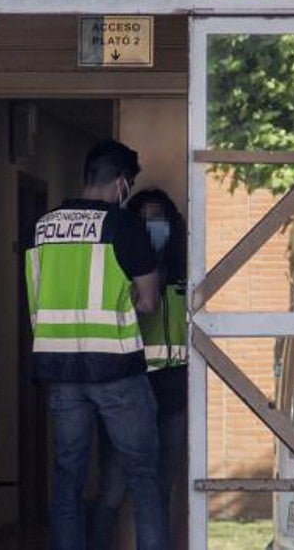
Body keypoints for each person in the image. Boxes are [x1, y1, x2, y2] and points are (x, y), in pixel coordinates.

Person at [25, 139, 168, 550]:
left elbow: (37, 296)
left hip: (60, 373)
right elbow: (148, 301)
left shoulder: (42, 227)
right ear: (122, 184)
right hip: (116, 370)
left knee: (67, 479)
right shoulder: (122, 226)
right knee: (144, 478)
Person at [90, 188, 189, 550]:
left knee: (161, 486)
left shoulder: (184, 272)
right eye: (145, 220)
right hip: (128, 385)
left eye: (159, 219)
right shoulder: (120, 268)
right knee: (113, 489)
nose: (153, 227)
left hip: (173, 389)